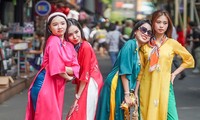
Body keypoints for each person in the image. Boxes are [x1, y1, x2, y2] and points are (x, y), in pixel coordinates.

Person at [134, 10, 194, 120]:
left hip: (165, 85)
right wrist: (135, 92)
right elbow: (141, 70)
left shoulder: (172, 43)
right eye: (158, 22)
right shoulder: (145, 45)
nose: (161, 26)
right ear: (153, 23)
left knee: (172, 117)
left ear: (168, 25)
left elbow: (189, 60)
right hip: (147, 86)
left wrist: (174, 74)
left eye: (165, 23)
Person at [25, 12, 80, 120]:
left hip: (57, 85)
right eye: (55, 24)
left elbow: (76, 67)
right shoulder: (53, 41)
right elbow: (57, 68)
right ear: (49, 28)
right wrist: (68, 75)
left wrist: (63, 69)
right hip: (45, 84)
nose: (59, 27)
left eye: (62, 23)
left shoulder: (68, 45)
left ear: (66, 25)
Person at [96, 20, 152, 120]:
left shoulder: (139, 49)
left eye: (149, 32)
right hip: (116, 85)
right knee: (113, 115)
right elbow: (125, 71)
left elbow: (137, 75)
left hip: (123, 87)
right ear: (135, 31)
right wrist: (127, 94)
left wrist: (134, 93)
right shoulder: (130, 44)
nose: (146, 34)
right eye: (143, 30)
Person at [65, 18, 103, 120]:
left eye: (76, 32)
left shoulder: (84, 46)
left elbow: (84, 72)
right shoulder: (77, 46)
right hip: (87, 81)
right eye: (70, 34)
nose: (75, 36)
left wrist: (77, 97)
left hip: (90, 82)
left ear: (80, 30)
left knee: (82, 114)